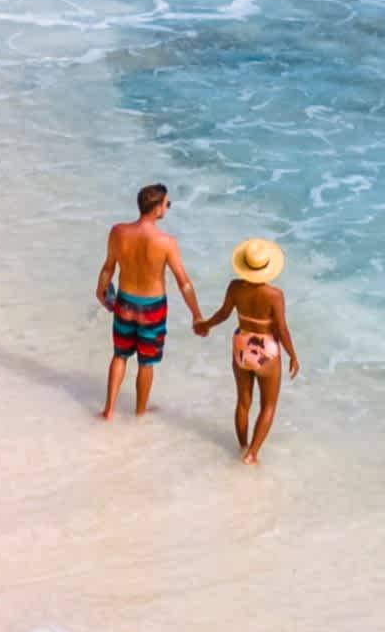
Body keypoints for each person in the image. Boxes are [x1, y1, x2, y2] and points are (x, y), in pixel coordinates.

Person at [92, 184, 200, 420]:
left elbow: (108, 268)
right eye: (167, 204)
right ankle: (139, 413)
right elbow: (184, 282)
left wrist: (101, 290)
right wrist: (196, 314)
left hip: (124, 302)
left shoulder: (118, 232)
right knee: (146, 363)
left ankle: (108, 410)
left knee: (119, 355)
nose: (167, 208)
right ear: (157, 208)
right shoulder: (166, 242)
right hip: (152, 308)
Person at [194, 237, 300, 463]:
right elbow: (281, 329)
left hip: (241, 345)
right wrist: (292, 355)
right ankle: (252, 454)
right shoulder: (274, 295)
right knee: (268, 405)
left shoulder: (235, 287)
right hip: (266, 349)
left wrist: (205, 325)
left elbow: (223, 314)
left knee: (243, 400)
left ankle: (242, 446)